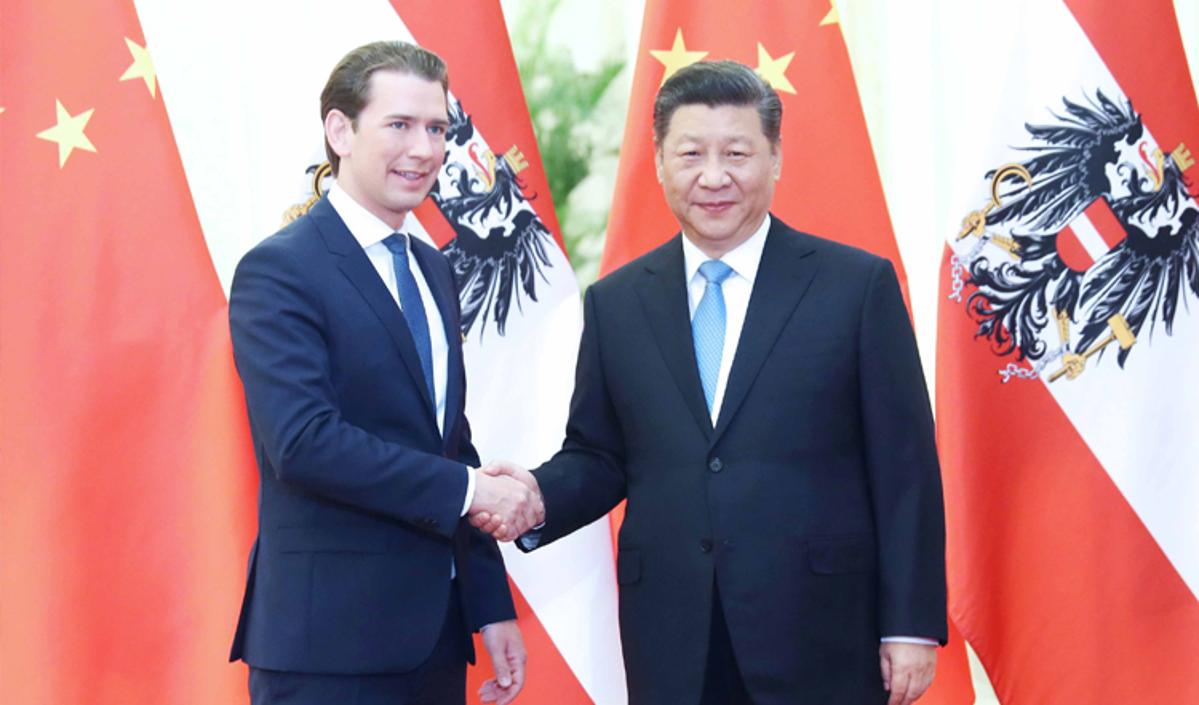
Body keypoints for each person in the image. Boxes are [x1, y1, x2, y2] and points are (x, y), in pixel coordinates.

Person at [475, 60, 947, 705]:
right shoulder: (617, 301)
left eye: (737, 153)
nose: (714, 176)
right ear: (659, 162)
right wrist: (535, 495)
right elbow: (601, 455)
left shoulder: (855, 286)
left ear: (775, 158)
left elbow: (905, 468)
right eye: (691, 154)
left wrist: (911, 625)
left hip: (820, 631)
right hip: (674, 635)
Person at [228, 41, 541, 705]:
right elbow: (303, 442)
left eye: (437, 128)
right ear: (340, 131)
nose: (424, 149)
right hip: (325, 652)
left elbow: (448, 443)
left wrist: (489, 605)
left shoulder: (433, 268)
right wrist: (472, 491)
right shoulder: (279, 269)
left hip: (434, 641)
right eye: (399, 125)